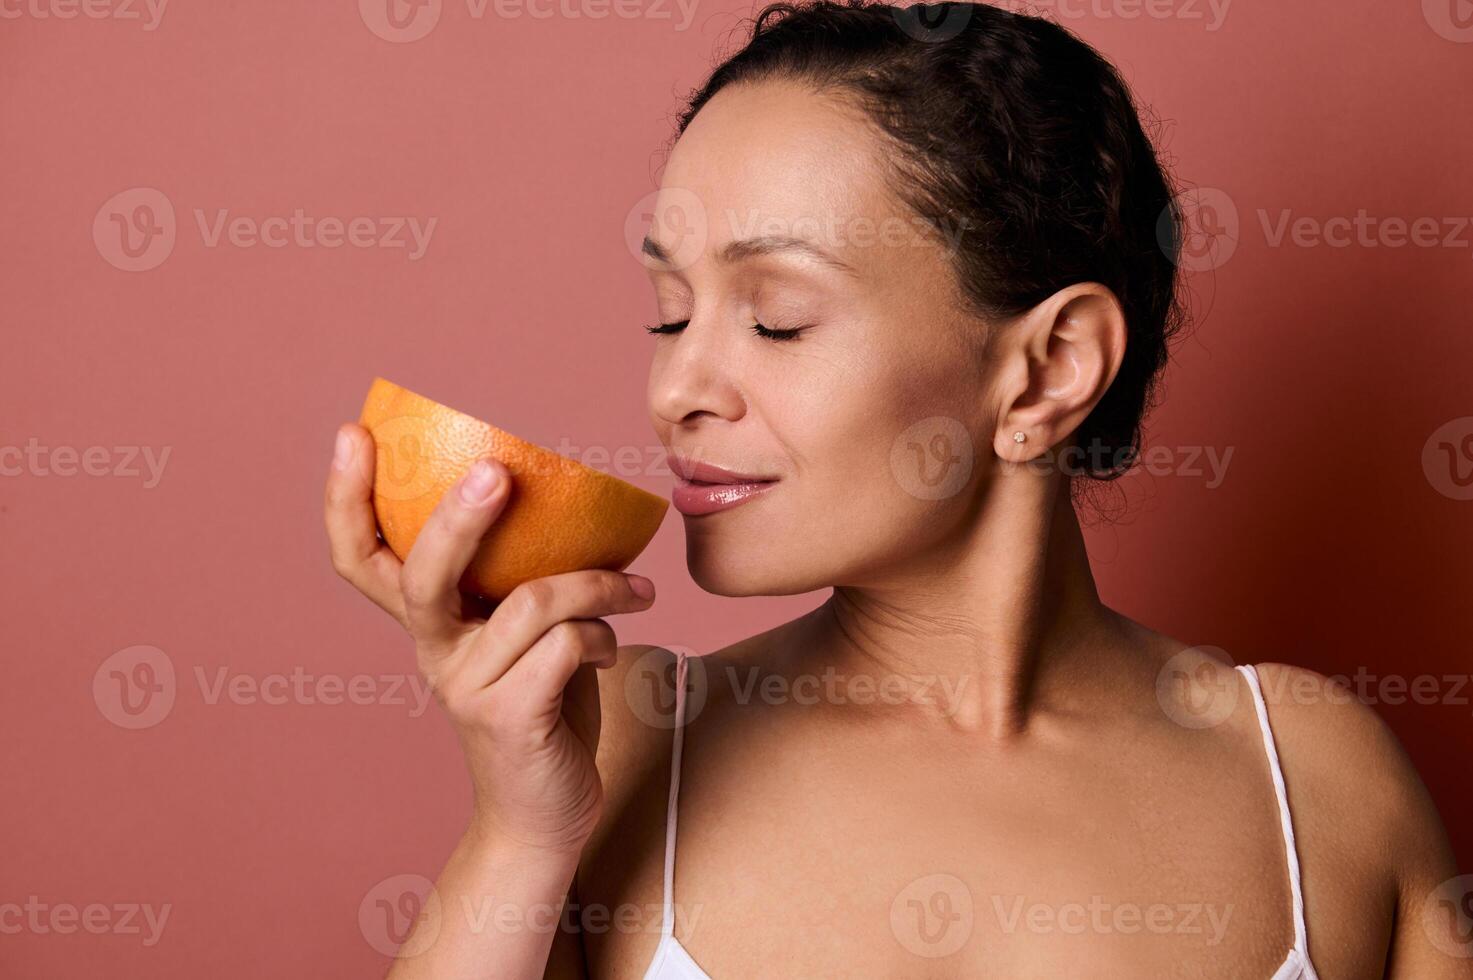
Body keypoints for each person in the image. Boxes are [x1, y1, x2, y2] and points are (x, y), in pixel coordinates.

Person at [324, 2, 1466, 976]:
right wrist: (520, 835)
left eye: (778, 317)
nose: (675, 384)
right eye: (668, 313)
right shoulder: (624, 748)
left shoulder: (1308, 778)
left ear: (1050, 367)